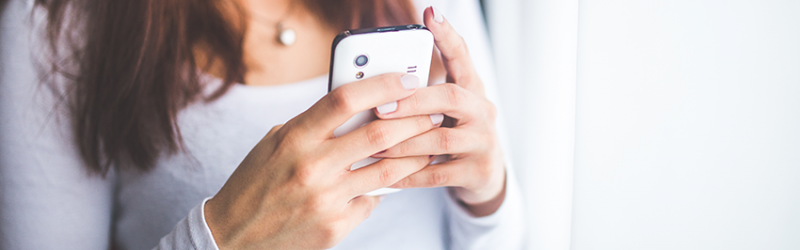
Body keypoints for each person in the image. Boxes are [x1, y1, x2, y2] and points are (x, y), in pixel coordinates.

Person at [0, 0, 524, 249]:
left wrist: (489, 196)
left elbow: (509, 238)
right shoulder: (58, 22)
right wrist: (224, 238)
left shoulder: (428, 5)